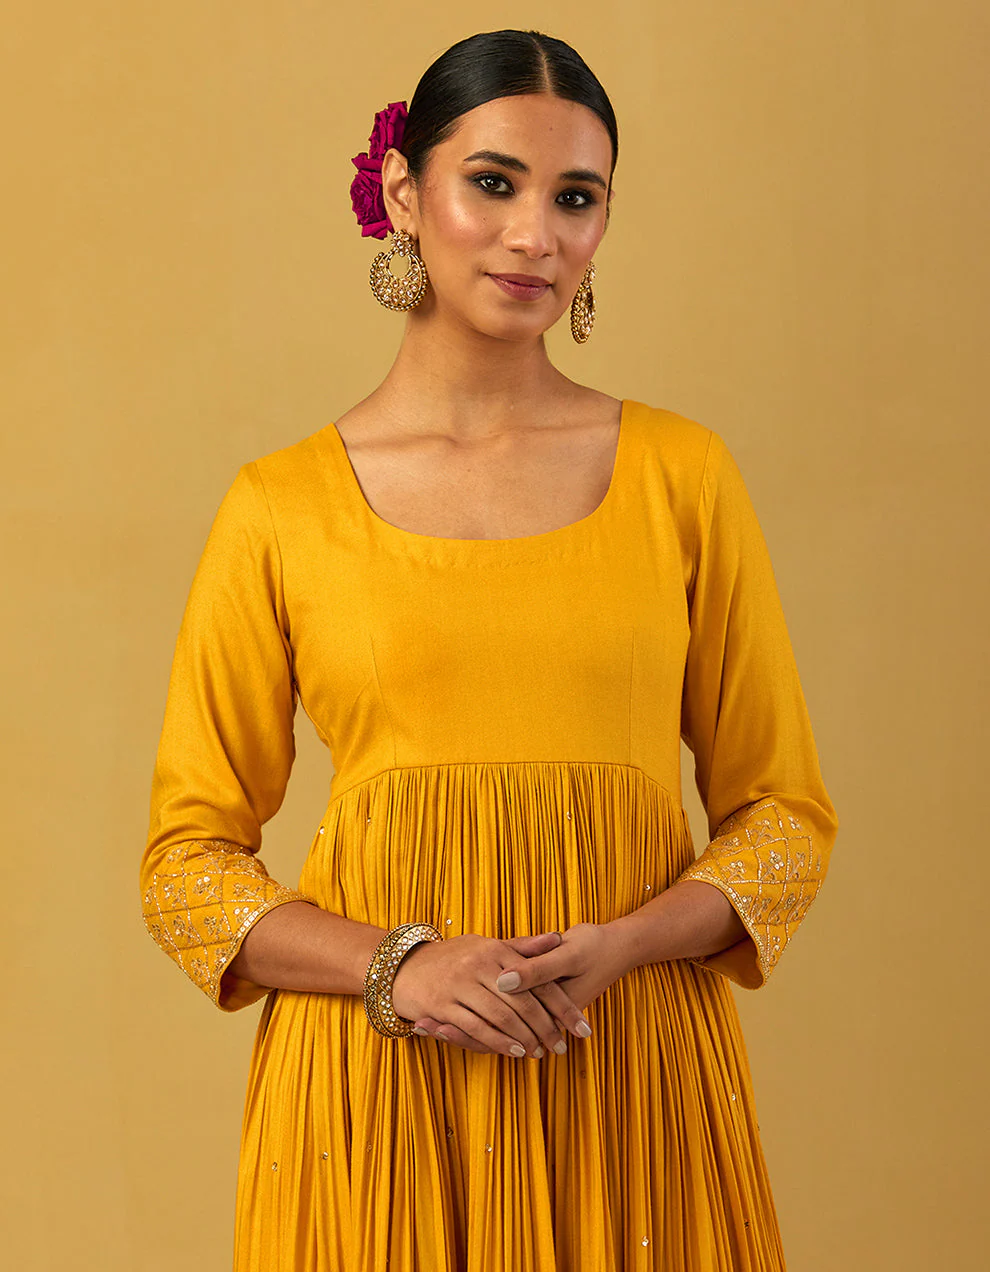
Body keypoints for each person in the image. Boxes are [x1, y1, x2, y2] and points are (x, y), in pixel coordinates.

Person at [140, 27, 838, 1271]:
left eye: (575, 198)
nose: (535, 236)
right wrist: (396, 967)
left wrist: (623, 946)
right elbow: (187, 867)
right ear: (404, 193)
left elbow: (783, 818)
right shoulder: (280, 508)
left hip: (628, 1072)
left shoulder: (683, 476)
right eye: (494, 183)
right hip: (376, 1093)